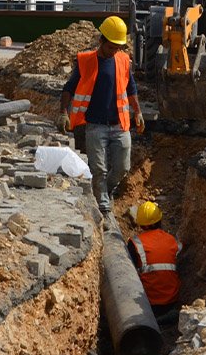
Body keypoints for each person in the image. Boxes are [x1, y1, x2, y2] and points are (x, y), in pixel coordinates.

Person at [58, 16, 145, 214]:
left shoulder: (123, 60)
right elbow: (68, 88)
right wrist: (63, 113)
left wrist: (138, 112)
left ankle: (107, 190)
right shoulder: (86, 61)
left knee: (123, 167)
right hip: (94, 126)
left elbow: (131, 89)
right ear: (101, 41)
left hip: (120, 125)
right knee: (98, 170)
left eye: (117, 47)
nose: (114, 51)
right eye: (111, 47)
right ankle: (104, 208)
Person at [126, 201, 181, 316]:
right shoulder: (171, 240)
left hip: (149, 304)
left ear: (140, 224)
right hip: (172, 301)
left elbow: (128, 273)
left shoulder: (135, 243)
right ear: (160, 220)